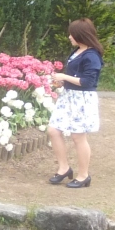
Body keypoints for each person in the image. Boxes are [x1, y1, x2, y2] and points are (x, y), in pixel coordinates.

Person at [47, 18, 104, 189]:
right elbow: (76, 77)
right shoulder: (77, 51)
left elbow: (87, 82)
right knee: (53, 130)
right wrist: (62, 83)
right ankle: (64, 168)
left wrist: (64, 76)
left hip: (82, 100)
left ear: (81, 34)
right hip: (68, 96)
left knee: (78, 137)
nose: (69, 37)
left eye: (72, 34)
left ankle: (83, 175)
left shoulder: (92, 55)